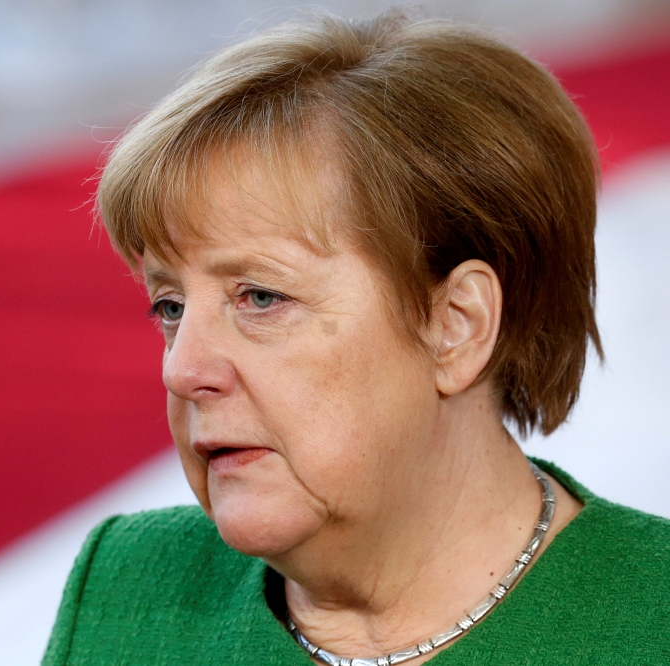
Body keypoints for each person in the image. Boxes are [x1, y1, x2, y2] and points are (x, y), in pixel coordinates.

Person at [43, 10, 670, 665]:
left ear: (458, 325)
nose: (182, 369)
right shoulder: (126, 587)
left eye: (261, 297)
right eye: (169, 307)